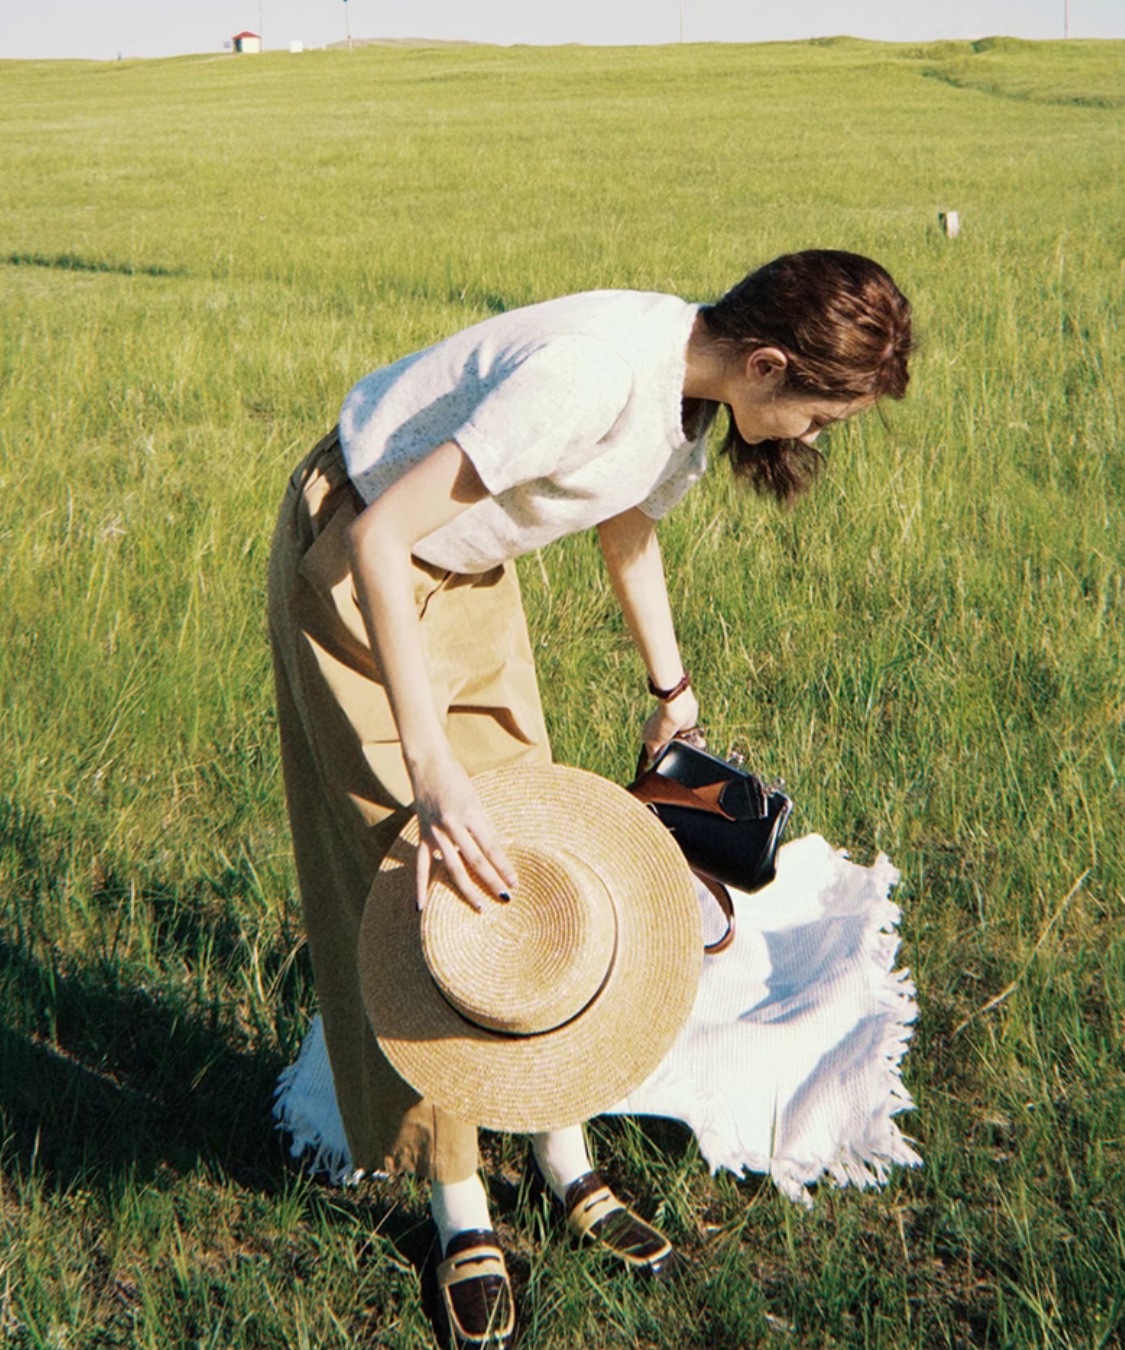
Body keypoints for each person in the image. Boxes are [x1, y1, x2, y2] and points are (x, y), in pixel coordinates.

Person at [267, 249, 912, 1349]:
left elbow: (627, 526)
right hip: (359, 554)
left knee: (527, 865)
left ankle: (562, 1151)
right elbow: (380, 539)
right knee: (427, 878)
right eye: (818, 417)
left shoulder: (689, 399)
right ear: (766, 364)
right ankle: (457, 1202)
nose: (810, 440)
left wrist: (673, 692)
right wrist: (430, 768)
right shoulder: (591, 377)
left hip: (465, 570)